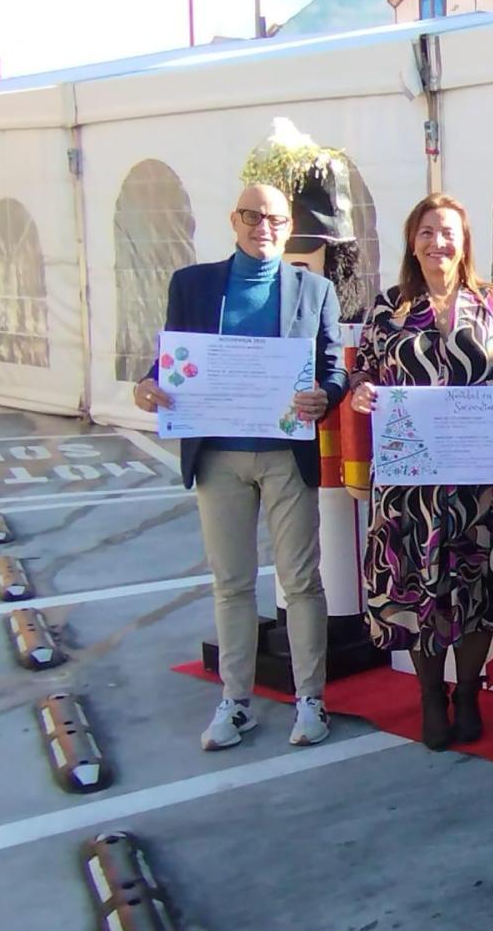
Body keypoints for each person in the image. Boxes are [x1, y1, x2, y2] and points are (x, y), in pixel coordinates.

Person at [132, 183, 347, 751]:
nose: (264, 227)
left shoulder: (316, 289)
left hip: (285, 454)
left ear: (289, 224)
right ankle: (236, 701)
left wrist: (325, 395)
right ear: (234, 220)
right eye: (253, 216)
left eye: (275, 218)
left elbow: (334, 370)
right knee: (230, 584)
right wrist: (148, 384)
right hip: (218, 455)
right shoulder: (193, 284)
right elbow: (171, 357)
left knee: (300, 581)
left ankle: (311, 699)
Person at [348, 194, 493, 751]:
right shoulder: (388, 308)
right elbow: (362, 370)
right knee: (417, 588)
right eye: (427, 231)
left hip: (482, 478)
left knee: (478, 585)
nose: (438, 242)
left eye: (448, 231)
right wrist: (360, 390)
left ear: (465, 240)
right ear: (413, 241)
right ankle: (431, 696)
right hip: (413, 486)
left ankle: (470, 694)